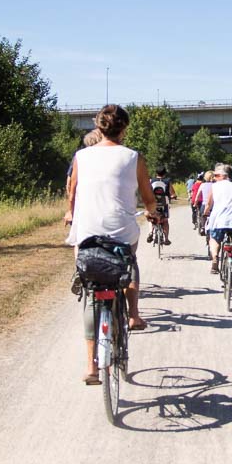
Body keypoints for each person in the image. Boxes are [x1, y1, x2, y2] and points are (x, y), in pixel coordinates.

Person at [65, 104, 159, 385]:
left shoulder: (81, 156)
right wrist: (152, 210)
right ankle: (133, 314)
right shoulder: (134, 157)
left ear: (98, 126)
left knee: (91, 287)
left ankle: (91, 367)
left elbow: (73, 193)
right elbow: (147, 195)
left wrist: (71, 211)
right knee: (130, 261)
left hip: (87, 232)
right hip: (121, 232)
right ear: (124, 128)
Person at [148, 167, 176, 245]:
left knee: (151, 218)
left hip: (153, 203)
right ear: (165, 173)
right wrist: (174, 196)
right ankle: (166, 239)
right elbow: (172, 193)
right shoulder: (167, 181)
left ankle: (150, 232)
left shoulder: (151, 181)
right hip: (164, 204)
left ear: (156, 173)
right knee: (165, 221)